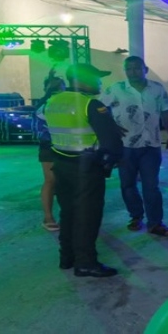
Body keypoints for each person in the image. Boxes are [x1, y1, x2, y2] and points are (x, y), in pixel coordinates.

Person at [42, 63, 123, 277]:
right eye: (96, 78)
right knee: (88, 216)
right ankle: (86, 262)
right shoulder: (91, 104)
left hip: (61, 165)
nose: (99, 82)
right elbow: (112, 143)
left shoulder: (53, 101)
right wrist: (111, 162)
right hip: (87, 169)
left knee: (68, 213)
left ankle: (67, 257)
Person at [99, 56, 168, 236]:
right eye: (128, 69)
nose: (132, 72)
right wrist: (110, 127)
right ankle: (136, 216)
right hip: (125, 146)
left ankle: (155, 223)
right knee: (127, 184)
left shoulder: (157, 89)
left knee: (151, 186)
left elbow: (166, 112)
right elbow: (100, 109)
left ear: (145, 69)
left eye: (136, 68)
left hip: (151, 145)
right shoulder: (116, 89)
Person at [35, 69, 65, 231]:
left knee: (66, 181)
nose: (58, 89)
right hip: (49, 146)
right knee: (51, 180)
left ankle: (68, 215)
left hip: (70, 146)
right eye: (54, 87)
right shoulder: (43, 105)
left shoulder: (70, 102)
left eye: (61, 86)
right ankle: (48, 217)